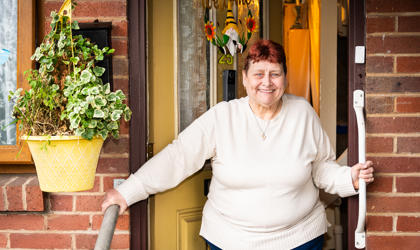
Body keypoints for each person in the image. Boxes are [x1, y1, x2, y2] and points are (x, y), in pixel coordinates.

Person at [102, 39, 374, 250]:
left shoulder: (302, 113)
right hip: (230, 241)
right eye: (258, 74)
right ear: (244, 78)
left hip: (299, 239)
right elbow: (179, 156)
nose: (266, 82)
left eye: (275, 74)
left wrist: (347, 178)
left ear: (285, 78)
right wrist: (128, 191)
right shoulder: (223, 117)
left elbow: (321, 168)